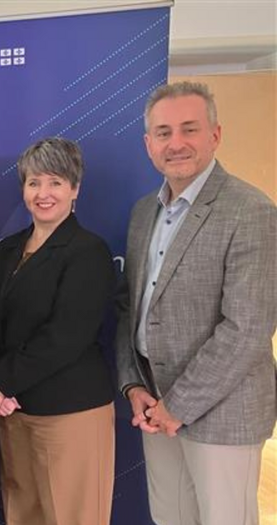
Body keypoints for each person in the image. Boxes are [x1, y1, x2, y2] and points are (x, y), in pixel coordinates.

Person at [116, 81, 276, 525]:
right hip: (154, 404)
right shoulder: (143, 212)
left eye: (189, 129)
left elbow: (247, 328)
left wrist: (178, 407)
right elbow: (130, 308)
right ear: (148, 144)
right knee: (170, 518)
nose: (176, 143)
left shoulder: (251, 211)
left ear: (215, 135)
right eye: (163, 132)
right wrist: (133, 387)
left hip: (223, 411)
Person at [0, 138, 116, 525]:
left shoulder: (88, 251)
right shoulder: (5, 251)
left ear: (75, 189)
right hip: (12, 411)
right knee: (22, 515)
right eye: (34, 182)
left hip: (69, 412)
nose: (43, 193)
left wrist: (1, 381)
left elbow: (66, 335)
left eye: (55, 182)